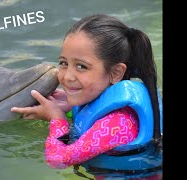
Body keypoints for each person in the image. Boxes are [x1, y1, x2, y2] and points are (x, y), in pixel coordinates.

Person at [11, 14, 162, 179]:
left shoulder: (116, 124)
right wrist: (70, 108)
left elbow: (57, 160)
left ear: (115, 73)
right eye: (63, 63)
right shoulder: (114, 103)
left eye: (81, 66)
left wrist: (57, 118)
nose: (67, 76)